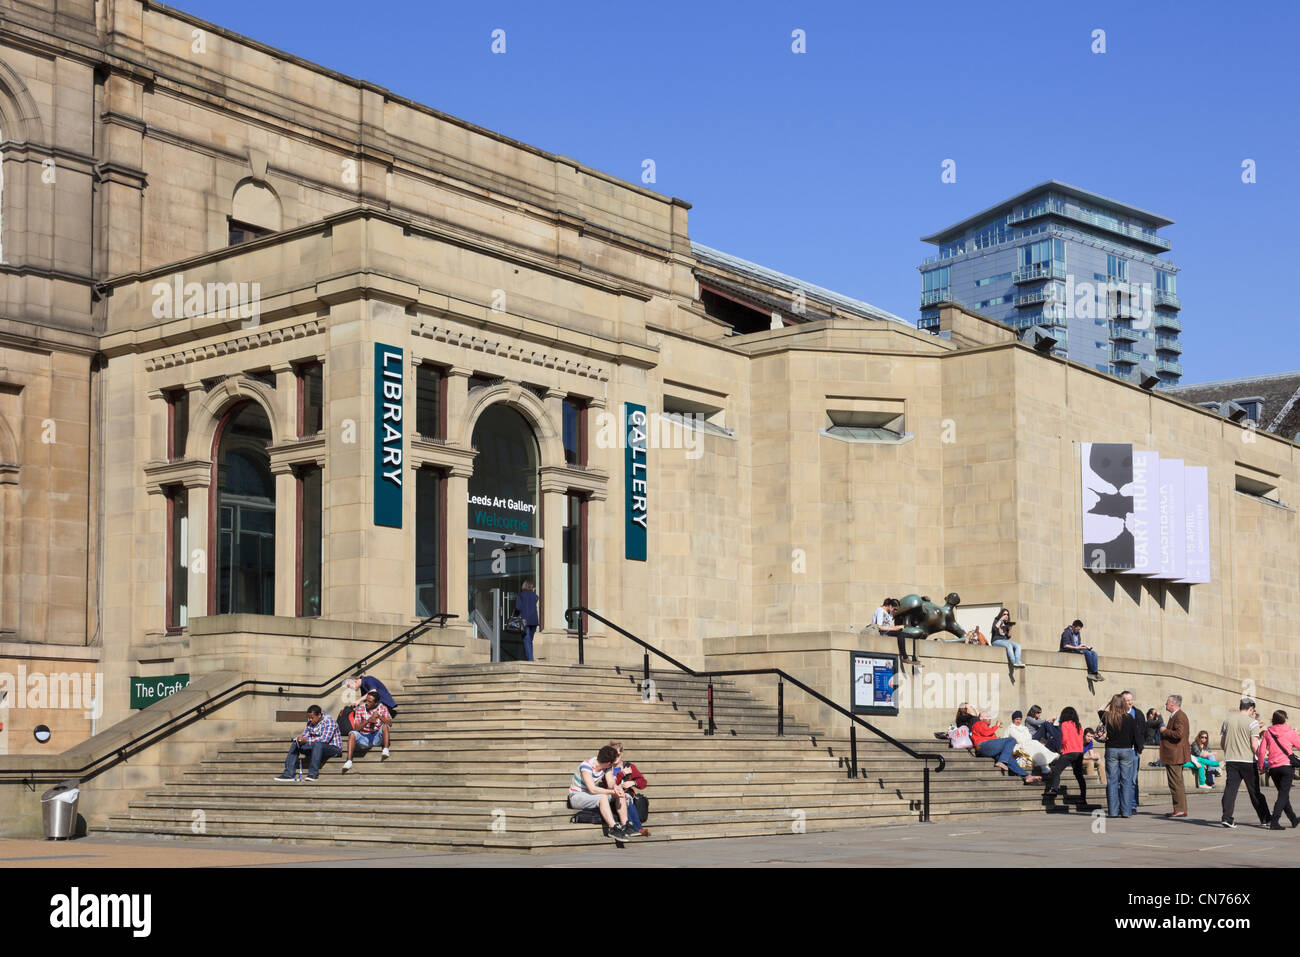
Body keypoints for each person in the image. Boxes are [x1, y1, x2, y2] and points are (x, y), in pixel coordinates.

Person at [1219, 697, 1271, 829]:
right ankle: (1265, 818)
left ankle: (1227, 818)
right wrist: (1262, 760)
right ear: (1251, 708)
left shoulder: (1227, 720)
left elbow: (1222, 744)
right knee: (1254, 791)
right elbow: (1254, 746)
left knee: (1230, 790)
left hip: (1231, 760)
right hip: (1247, 761)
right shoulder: (1252, 723)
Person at [568, 744, 631, 839]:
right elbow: (592, 789)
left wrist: (615, 788)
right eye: (612, 763)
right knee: (602, 796)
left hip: (591, 795)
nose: (613, 765)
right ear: (609, 763)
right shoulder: (586, 766)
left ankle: (625, 825)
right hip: (576, 796)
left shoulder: (607, 767)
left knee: (619, 792)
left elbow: (610, 781)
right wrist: (611, 792)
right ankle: (612, 828)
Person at [970, 711, 1042, 783]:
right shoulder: (978, 723)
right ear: (981, 718)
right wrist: (996, 726)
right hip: (982, 746)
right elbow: (986, 732)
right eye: (987, 717)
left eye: (990, 717)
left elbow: (990, 736)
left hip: (989, 749)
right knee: (1011, 740)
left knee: (1009, 759)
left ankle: (1027, 776)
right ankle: (1001, 761)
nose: (989, 718)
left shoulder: (988, 728)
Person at [1257, 710, 1300, 830]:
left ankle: (1293, 819)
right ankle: (1274, 821)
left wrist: (1261, 766)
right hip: (1286, 766)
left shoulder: (1268, 732)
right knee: (1283, 795)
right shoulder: (1290, 731)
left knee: (1283, 794)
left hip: (1273, 768)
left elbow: (1261, 751)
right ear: (1285, 718)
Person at [274, 705, 342, 781]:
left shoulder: (329, 721)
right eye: (309, 717)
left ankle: (313, 774)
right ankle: (289, 774)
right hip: (316, 748)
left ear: (319, 715)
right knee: (296, 744)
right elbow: (305, 735)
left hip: (333, 749)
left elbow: (324, 740)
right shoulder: (310, 723)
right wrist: (299, 740)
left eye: (312, 718)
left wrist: (306, 740)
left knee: (318, 744)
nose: (310, 720)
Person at [1099, 693, 1139, 817]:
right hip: (1127, 750)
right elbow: (1135, 735)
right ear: (1123, 704)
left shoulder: (1107, 716)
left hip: (1111, 750)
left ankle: (1113, 811)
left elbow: (1100, 709)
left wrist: (1108, 701)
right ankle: (1126, 811)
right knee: (1126, 781)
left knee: (1112, 781)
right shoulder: (1129, 718)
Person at [606, 741, 650, 837]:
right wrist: (621, 774)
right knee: (624, 797)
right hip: (611, 795)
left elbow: (643, 783)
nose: (614, 757)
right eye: (611, 754)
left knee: (627, 797)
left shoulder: (629, 766)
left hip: (626, 796)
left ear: (621, 753)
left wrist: (633, 782)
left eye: (617, 754)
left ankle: (635, 827)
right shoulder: (607, 767)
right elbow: (610, 784)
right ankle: (634, 827)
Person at [341, 689, 392, 772]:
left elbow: (390, 723)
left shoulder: (382, 708)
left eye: (370, 701)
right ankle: (349, 761)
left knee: (385, 726)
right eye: (366, 700)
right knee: (352, 734)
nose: (367, 703)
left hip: (377, 737)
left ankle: (386, 749)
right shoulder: (360, 709)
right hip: (364, 737)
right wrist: (368, 720)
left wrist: (379, 716)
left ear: (376, 703)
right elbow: (356, 728)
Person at [1044, 707, 1088, 802]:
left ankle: (1054, 789)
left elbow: (1065, 739)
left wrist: (1062, 748)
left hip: (1069, 752)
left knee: (1056, 770)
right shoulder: (1078, 725)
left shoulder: (1064, 724)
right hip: (1079, 753)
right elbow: (1080, 739)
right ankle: (1083, 798)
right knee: (1079, 775)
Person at [1160, 694, 1190, 818]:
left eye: (1167, 702)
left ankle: (1180, 809)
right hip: (1174, 754)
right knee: (1176, 782)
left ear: (1173, 704)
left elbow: (1179, 734)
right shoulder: (1176, 715)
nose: (1165, 704)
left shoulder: (1179, 716)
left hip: (1175, 754)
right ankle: (1179, 808)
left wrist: (1164, 731)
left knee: (1176, 783)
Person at [873, 597, 910, 663]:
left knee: (908, 635)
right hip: (880, 632)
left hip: (887, 632)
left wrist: (897, 627)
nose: (895, 611)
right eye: (895, 609)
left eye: (897, 610)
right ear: (890, 606)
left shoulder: (890, 614)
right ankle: (905, 657)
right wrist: (895, 628)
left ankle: (914, 658)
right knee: (900, 634)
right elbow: (879, 627)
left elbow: (889, 627)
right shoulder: (880, 611)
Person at [515, 580, 540, 662]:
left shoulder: (520, 595)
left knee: (527, 640)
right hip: (534, 621)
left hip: (524, 621)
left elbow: (518, 608)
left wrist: (515, 616)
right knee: (529, 641)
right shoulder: (535, 596)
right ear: (531, 587)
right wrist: (532, 592)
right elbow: (535, 599)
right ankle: (530, 658)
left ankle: (530, 660)